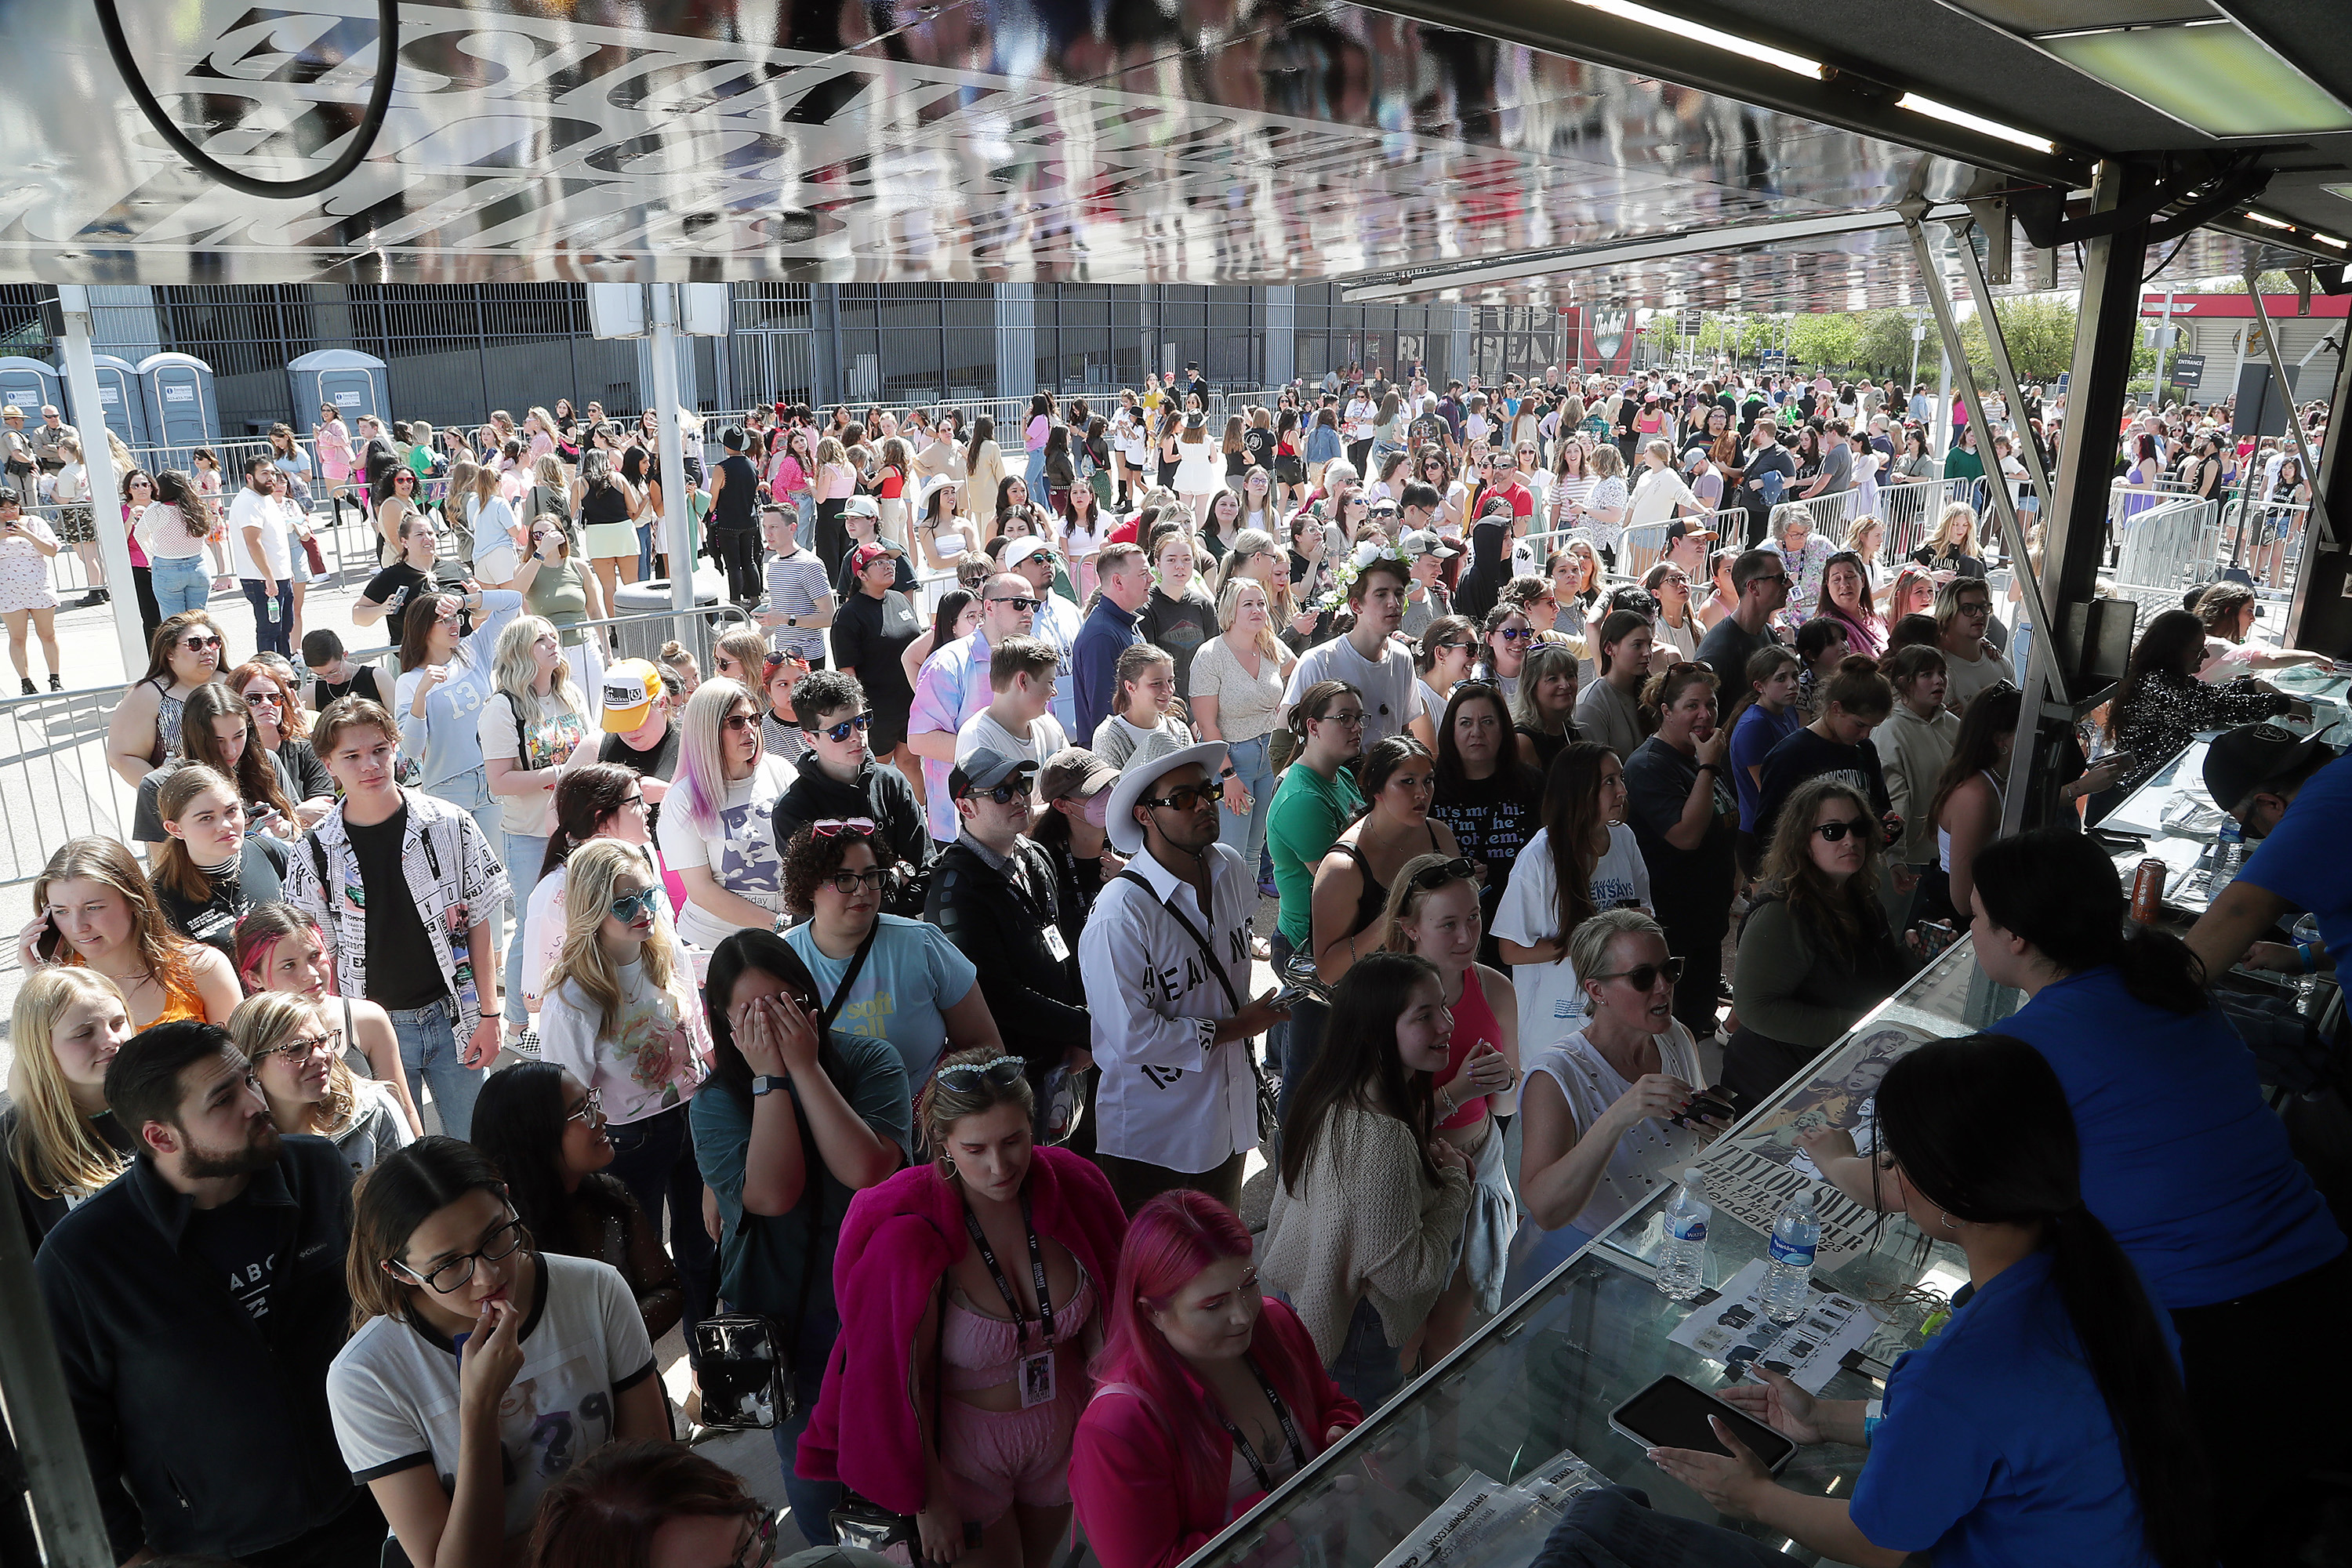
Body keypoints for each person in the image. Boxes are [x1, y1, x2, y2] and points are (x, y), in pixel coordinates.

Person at [1820, 829, 2342, 1562]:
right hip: (2318, 1287)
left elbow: (1930, 1181)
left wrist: (1837, 1161)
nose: (1967, 929)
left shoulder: (2036, 1048)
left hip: (2216, 1337)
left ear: (2019, 939)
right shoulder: (2165, 988)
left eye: (1975, 917)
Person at [1650, 1034, 2213, 1568]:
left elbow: (1876, 1543)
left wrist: (1754, 1497)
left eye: (1896, 1160)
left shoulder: (1963, 1370)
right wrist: (1825, 1418)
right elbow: (1998, 1438)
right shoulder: (2107, 1273)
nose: (1891, 1173)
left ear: (1953, 1196)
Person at [39, 1019, 381, 1566]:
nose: (255, 1102)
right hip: (214, 1546)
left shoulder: (316, 1170)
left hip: (370, 1497)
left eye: (248, 1079)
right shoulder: (84, 1256)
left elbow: (381, 1311)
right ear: (160, 1136)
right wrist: (129, 1553)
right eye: (224, 1098)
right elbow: (71, 1428)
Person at [800, 1049, 1127, 1568]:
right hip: (966, 1462)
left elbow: (1120, 1312)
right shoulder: (908, 1241)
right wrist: (927, 1501)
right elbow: (898, 1382)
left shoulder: (1077, 1189)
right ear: (944, 1145)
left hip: (1063, 1441)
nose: (1000, 1167)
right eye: (976, 1149)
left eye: (1014, 1141)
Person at [328, 1136, 667, 1568]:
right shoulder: (365, 1376)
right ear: (400, 1272)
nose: (487, 1276)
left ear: (507, 1202)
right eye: (448, 1265)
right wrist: (480, 1407)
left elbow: (654, 1473)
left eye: (494, 1235)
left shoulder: (595, 1289)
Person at [692, 927, 910, 1542]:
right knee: (813, 1471)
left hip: (875, 1306)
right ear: (724, 1023)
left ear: (811, 998)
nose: (774, 1024)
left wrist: (805, 1067)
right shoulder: (714, 1104)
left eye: (787, 1004)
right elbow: (772, 1193)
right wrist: (770, 1082)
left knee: (898, 1453)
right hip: (784, 1320)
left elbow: (868, 1170)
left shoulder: (870, 1061)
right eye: (752, 1014)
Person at [1069, 1189, 1360, 1568]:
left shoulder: (1276, 1324)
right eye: (1214, 1305)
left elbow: (1332, 1406)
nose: (1243, 1316)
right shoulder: (1117, 1428)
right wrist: (1283, 1515)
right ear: (1152, 1313)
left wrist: (1343, 1430)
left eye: (1250, 1285)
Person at [285, 699, 509, 1140]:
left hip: (454, 1016)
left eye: (380, 750)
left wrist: (489, 1013)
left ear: (396, 749)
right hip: (370, 1032)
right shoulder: (313, 852)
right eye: (352, 756)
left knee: (480, 1149)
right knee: (403, 1164)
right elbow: (320, 956)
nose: (370, 764)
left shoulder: (449, 824)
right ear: (328, 764)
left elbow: (479, 920)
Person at [1082, 742, 1287, 1213]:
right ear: (1145, 815)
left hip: (1227, 1111)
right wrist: (1241, 1027)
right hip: (1159, 1136)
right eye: (1181, 799)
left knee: (1222, 1257)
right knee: (1164, 1277)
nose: (1203, 806)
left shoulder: (1232, 868)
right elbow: (1133, 1036)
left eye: (1206, 792)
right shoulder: (1119, 914)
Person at [1261, 953, 1472, 1409]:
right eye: (1425, 1016)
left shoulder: (1326, 1092)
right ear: (1378, 1031)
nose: (1447, 1024)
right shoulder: (1384, 1141)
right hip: (1352, 1335)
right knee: (1358, 1453)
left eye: (1443, 1007)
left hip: (1303, 1301)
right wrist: (1456, 1185)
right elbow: (1408, 1275)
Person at [1514, 909, 1726, 1280]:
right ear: (1597, 990)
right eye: (1643, 977)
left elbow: (1697, 1149)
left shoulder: (1676, 1037)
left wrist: (1715, 1127)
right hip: (1569, 1265)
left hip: (1655, 1248)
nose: (1663, 986)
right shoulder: (1556, 1076)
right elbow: (1545, 1210)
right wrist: (1619, 1115)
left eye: (1669, 970)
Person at [1723, 778, 1915, 1109]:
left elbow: (1877, 975)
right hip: (1780, 1084)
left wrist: (1915, 954)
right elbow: (1755, 1008)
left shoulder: (1861, 896)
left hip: (1842, 1069)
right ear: (1802, 841)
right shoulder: (1780, 915)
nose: (1851, 840)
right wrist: (1854, 1028)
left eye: (1858, 828)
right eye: (1832, 831)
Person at [926, 753, 1091, 1122]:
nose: (1019, 798)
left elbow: (1066, 946)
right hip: (1009, 1075)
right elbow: (997, 998)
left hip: (1064, 1052)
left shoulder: (1033, 855)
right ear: (966, 807)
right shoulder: (955, 889)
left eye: (1022, 785)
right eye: (1001, 792)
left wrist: (1080, 1033)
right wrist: (1086, 1029)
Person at [471, 1061, 682, 1348]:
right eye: (583, 1112)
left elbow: (668, 1289)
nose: (603, 1116)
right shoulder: (497, 1238)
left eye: (591, 1102)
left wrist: (603, 1337)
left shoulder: (611, 1195)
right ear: (535, 1137)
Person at [779, 817, 999, 1089]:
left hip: (928, 1123)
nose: (862, 890)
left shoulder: (922, 943)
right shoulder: (780, 960)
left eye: (871, 876)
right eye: (844, 878)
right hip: (827, 1125)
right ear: (809, 886)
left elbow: (986, 1050)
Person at [1491, 743, 1651, 1054]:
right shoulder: (1539, 858)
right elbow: (1510, 950)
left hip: (1616, 1015)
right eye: (1609, 781)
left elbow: (1643, 908)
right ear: (1579, 789)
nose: (1622, 791)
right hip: (1557, 1028)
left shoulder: (1623, 837)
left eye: (1621, 779)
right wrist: (1590, 942)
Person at [479, 615, 593, 1037]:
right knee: (533, 926)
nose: (551, 643)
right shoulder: (501, 708)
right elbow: (500, 781)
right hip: (528, 834)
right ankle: (516, 1022)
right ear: (519, 651)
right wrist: (561, 773)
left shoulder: (571, 694)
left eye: (552, 635)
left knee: (579, 919)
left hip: (577, 827)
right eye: (539, 639)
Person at [233, 900, 420, 1135]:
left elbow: (403, 1110)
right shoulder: (246, 1038)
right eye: (289, 965)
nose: (311, 974)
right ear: (254, 978)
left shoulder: (367, 1019)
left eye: (314, 956)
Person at [1621, 663, 1737, 1038]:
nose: (1705, 715)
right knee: (1676, 1030)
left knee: (1700, 1021)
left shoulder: (1703, 754)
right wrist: (1707, 769)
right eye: (1692, 706)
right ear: (1666, 711)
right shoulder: (1650, 765)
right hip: (1675, 927)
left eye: (1712, 704)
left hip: (1707, 921)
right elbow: (1685, 835)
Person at [21, 833, 241, 1029]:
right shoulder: (58, 982)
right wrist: (40, 983)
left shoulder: (201, 968)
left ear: (134, 901)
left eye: (93, 908)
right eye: (61, 912)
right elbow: (33, 1072)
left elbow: (242, 1060)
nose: (78, 927)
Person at [656, 677, 797, 950]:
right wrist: (780, 924)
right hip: (716, 947)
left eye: (755, 719)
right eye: (736, 722)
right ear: (707, 730)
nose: (751, 730)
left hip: (785, 939)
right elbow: (702, 891)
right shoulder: (682, 799)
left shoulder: (780, 771)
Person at [2104, 608, 2298, 802]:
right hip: (2129, 793)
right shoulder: (2156, 685)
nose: (2205, 655)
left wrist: (2252, 686)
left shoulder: (2170, 678)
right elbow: (2209, 710)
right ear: (2172, 652)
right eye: (2197, 650)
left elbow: (2209, 694)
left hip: (2148, 781)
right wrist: (2281, 704)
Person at [2, 968, 136, 1243]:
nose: (110, 1040)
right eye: (84, 1033)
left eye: (118, 1023)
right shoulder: (14, 1139)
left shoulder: (168, 1098)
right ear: (40, 1047)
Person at [910, 572, 1044, 843]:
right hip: (962, 829)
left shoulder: (1033, 659)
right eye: (1019, 603)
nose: (1029, 611)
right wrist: (1001, 758)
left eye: (1033, 604)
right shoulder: (948, 663)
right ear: (989, 607)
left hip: (1025, 821)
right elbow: (919, 739)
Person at [395, 582, 528, 849]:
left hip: (493, 777)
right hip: (448, 787)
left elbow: (513, 601)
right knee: (459, 871)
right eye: (443, 621)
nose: (454, 624)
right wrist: (421, 695)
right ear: (423, 629)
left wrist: (463, 601)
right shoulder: (409, 682)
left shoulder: (473, 649)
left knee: (500, 866)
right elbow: (412, 748)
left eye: (454, 618)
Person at [227, 989, 412, 1176]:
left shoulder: (375, 1112)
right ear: (252, 1067)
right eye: (297, 1049)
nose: (320, 1056)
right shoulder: (235, 1139)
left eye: (323, 1040)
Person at [773, 668, 934, 880]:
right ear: (811, 740)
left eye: (861, 722)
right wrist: (895, 878)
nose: (856, 736)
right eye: (840, 731)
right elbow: (819, 895)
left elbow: (925, 869)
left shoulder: (892, 783)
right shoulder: (792, 810)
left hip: (906, 913)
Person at [1428, 682, 1542, 968]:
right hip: (1450, 930)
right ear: (1451, 730)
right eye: (1465, 723)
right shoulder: (1429, 787)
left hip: (1521, 927)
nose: (1476, 732)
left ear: (1504, 729)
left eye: (1487, 722)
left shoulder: (1533, 785)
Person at [1191, 574, 1295, 874]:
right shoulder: (1210, 655)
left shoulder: (1270, 646)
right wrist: (1229, 776)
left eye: (1261, 603)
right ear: (1230, 611)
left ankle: (1245, 918)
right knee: (1229, 852)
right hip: (1233, 759)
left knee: (1254, 848)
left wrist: (1282, 704)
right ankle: (1226, 917)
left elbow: (1300, 672)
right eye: (1247, 604)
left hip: (1269, 755)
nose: (1257, 610)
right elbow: (1207, 724)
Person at [1751, 655, 1897, 858]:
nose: (1865, 735)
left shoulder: (1864, 749)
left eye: (1873, 727)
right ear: (1836, 708)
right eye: (1860, 725)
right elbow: (1767, 830)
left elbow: (1879, 807)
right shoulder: (1789, 755)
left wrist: (1886, 826)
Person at [1278, 554, 1421, 747]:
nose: (1393, 603)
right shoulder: (1318, 662)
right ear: (1356, 605)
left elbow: (1404, 730)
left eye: (1398, 593)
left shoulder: (1402, 657)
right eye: (1381, 594)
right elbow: (1282, 741)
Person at [150, 763, 291, 955]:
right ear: (175, 829)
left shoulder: (266, 850)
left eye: (231, 811)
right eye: (206, 818)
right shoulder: (159, 898)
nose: (225, 825)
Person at [105, 609, 228, 790]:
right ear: (170, 652)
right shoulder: (149, 694)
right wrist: (169, 793)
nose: (207, 650)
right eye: (195, 644)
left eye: (213, 642)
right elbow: (122, 756)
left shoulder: (235, 683)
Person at [1870, 644, 1957, 900]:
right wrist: (1894, 855)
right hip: (1909, 857)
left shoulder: (1952, 724)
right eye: (1926, 674)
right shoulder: (1890, 731)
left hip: (1950, 846)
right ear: (1904, 683)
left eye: (1942, 672)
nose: (1938, 680)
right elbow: (1893, 801)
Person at [1073, 541, 1150, 742]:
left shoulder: (1125, 621)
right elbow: (1105, 717)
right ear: (1118, 581)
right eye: (1143, 574)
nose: (1150, 579)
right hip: (1115, 761)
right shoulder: (1102, 636)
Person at [1693, 548, 1788, 696]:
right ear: (1753, 587)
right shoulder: (1720, 649)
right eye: (1780, 579)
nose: (1789, 585)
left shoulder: (1768, 633)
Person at [1091, 643, 1197, 770]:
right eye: (1156, 683)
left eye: (1170, 681)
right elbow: (1113, 788)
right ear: (1130, 687)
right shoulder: (1109, 737)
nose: (1168, 690)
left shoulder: (1180, 730)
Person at [0, 484, 63, 694]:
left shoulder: (35, 523)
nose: (9, 512)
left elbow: (52, 551)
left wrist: (26, 533)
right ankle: (25, 682)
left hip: (39, 587)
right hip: (8, 590)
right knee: (17, 636)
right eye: (2, 509)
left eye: (13, 507)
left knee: (47, 634)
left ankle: (55, 678)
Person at [1570, 610, 1653, 761]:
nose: (1647, 653)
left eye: (1649, 645)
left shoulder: (1652, 694)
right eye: (1637, 645)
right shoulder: (1592, 704)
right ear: (1609, 648)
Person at [1932, 576, 2014, 716]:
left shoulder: (2001, 663)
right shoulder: (1937, 671)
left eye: (1984, 606)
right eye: (1968, 609)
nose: (1980, 614)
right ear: (1948, 614)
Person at [1510, 641, 1581, 777]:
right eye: (1553, 679)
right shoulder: (1524, 741)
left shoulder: (1568, 727)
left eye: (1570, 676)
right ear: (1530, 687)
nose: (1565, 685)